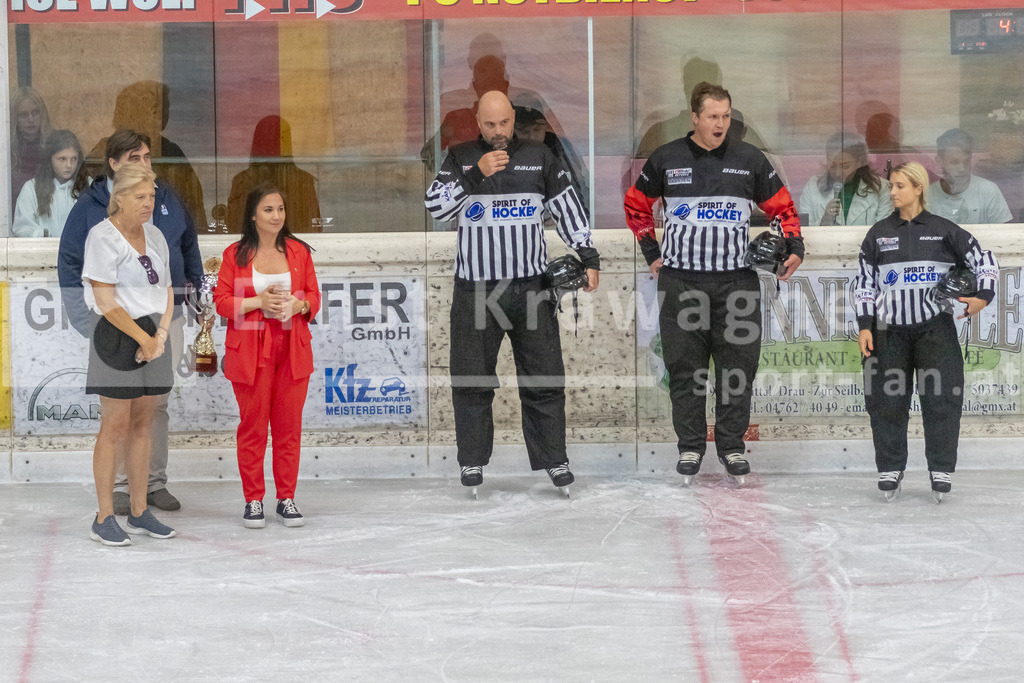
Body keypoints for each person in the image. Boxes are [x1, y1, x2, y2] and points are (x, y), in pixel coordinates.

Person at [623, 82, 804, 484]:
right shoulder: (667, 157)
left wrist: (795, 245)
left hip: (736, 283)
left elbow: (783, 208)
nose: (720, 124)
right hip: (681, 283)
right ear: (695, 117)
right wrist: (651, 251)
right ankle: (690, 447)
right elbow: (636, 204)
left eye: (725, 116)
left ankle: (732, 447)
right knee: (685, 371)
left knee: (737, 370)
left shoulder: (749, 159)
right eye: (712, 117)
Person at [424, 90, 600, 495]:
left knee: (544, 379)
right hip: (476, 290)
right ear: (477, 122)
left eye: (504, 123)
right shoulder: (461, 157)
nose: (498, 131)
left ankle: (555, 459)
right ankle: (472, 460)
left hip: (530, 290)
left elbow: (568, 207)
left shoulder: (539, 156)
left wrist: (588, 255)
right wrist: (475, 174)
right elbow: (436, 207)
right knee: (472, 380)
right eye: (490, 124)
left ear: (513, 120)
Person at [58, 129, 203, 514]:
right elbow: (70, 261)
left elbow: (187, 248)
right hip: (116, 326)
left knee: (154, 407)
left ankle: (153, 484)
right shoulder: (90, 207)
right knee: (119, 413)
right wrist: (86, 320)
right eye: (134, 158)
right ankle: (119, 490)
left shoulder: (165, 198)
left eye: (147, 157)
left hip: (163, 321)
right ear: (113, 164)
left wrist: (189, 302)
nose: (143, 165)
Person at [854, 162, 998, 501]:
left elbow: (985, 260)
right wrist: (864, 326)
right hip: (887, 331)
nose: (892, 192)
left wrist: (982, 297)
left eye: (899, 186)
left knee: (942, 399)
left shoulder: (944, 230)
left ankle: (941, 469)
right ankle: (890, 467)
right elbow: (864, 283)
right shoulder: (878, 233)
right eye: (891, 186)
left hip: (935, 329)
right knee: (886, 402)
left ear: (918, 188)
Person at [213, 185, 320, 528]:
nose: (277, 216)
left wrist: (299, 305)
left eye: (280, 209)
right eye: (268, 210)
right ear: (253, 215)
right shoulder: (234, 255)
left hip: (292, 348)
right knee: (253, 428)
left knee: (289, 428)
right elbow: (221, 302)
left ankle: (286, 497)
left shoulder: (299, 252)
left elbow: (314, 297)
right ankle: (253, 500)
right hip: (250, 349)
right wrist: (258, 302)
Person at [82, 165, 177, 546]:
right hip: (116, 335)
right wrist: (144, 338)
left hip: (154, 334)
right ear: (119, 198)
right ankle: (104, 516)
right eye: (140, 196)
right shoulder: (102, 237)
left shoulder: (156, 235)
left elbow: (167, 289)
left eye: (152, 196)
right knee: (115, 427)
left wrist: (161, 335)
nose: (148, 203)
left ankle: (139, 511)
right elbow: (106, 301)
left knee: (143, 424)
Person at [85, 81, 208, 231]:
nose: (163, 116)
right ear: (133, 112)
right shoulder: (103, 149)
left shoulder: (171, 150)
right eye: (155, 110)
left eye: (166, 108)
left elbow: (193, 204)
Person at [226, 116, 322, 234]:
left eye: (279, 138)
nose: (274, 144)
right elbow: (234, 226)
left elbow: (313, 227)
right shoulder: (242, 180)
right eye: (268, 138)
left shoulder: (303, 181)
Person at [799, 133, 893, 226]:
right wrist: (824, 221)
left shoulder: (882, 188)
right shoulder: (813, 186)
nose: (838, 173)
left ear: (860, 162)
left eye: (845, 166)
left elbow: (884, 230)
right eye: (833, 166)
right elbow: (804, 228)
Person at [926, 128, 1013, 225]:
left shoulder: (988, 190)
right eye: (954, 162)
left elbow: (1004, 232)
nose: (962, 169)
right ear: (939, 162)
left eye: (966, 161)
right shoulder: (928, 195)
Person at [12, 130, 88, 238]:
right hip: (42, 248)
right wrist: (42, 235)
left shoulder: (89, 186)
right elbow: (22, 228)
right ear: (49, 159)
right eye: (62, 159)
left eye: (74, 159)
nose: (69, 165)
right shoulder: (31, 188)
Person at [10, 87, 54, 208]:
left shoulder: (55, 144)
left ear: (42, 114)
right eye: (23, 115)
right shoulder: (6, 149)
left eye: (35, 112)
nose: (31, 119)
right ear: (14, 118)